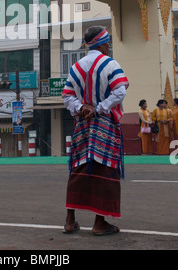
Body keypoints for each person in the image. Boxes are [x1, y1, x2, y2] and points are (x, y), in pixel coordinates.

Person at [62, 26, 129, 236]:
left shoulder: (76, 67)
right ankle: (99, 223)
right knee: (106, 168)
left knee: (78, 168)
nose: (109, 46)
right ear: (102, 43)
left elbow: (67, 96)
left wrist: (82, 108)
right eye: (107, 42)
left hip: (82, 125)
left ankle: (70, 220)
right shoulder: (110, 64)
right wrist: (99, 108)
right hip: (104, 124)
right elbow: (120, 90)